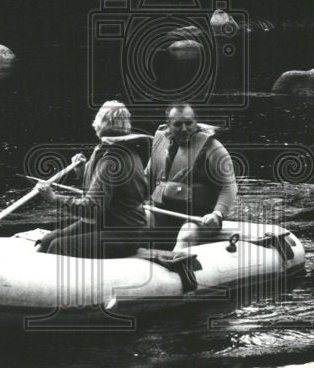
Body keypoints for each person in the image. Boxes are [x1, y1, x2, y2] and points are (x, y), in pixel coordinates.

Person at [34, 101, 150, 259]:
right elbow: (102, 186)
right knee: (49, 239)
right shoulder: (120, 150)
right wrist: (82, 170)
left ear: (99, 124)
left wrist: (54, 198)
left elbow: (92, 207)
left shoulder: (112, 160)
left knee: (58, 246)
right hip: (101, 224)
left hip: (120, 235)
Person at [147, 103, 238, 252]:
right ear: (168, 125)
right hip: (164, 212)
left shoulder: (213, 148)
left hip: (200, 217)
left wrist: (217, 214)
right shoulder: (160, 144)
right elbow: (147, 178)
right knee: (139, 221)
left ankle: (176, 268)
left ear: (196, 122)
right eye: (177, 124)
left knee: (186, 235)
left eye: (189, 123)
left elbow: (229, 186)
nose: (184, 129)